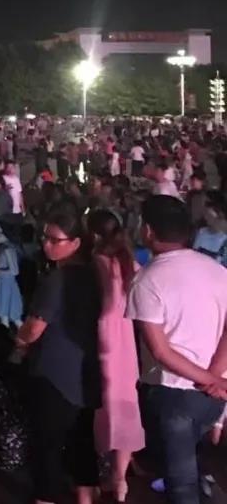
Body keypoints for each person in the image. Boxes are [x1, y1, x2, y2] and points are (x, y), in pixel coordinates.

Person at [127, 195, 227, 504]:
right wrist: (215, 377)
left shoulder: (147, 280)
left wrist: (210, 379)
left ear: (148, 230)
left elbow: (160, 351)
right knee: (195, 470)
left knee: (180, 483)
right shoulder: (217, 271)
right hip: (213, 395)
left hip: (174, 394)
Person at [14, 206, 102, 504]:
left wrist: (19, 341)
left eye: (54, 239)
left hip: (53, 370)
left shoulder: (57, 280)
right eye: (45, 238)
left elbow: (34, 328)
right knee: (82, 441)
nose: (46, 244)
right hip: (86, 370)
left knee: (47, 445)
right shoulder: (95, 276)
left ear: (75, 242)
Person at [88, 207, 144, 502]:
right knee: (125, 405)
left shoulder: (97, 261)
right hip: (127, 339)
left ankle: (100, 476)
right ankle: (120, 479)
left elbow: (104, 303)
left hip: (104, 337)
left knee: (101, 403)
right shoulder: (130, 262)